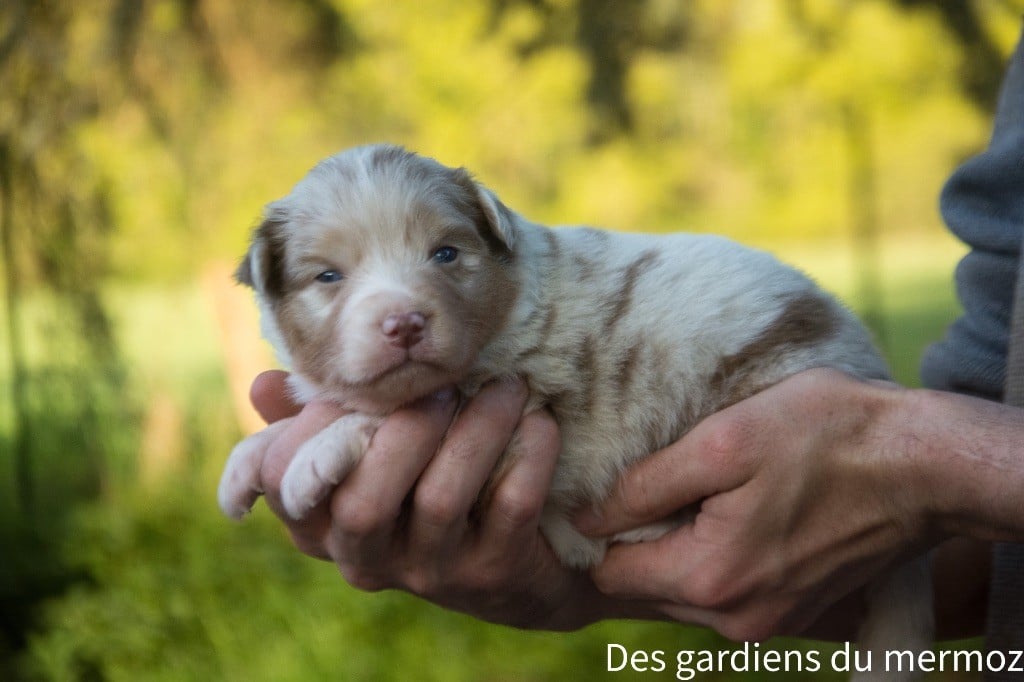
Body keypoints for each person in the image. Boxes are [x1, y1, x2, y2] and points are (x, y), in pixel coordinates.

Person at [242, 25, 1024, 644]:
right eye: (328, 277)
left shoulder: (534, 317)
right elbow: (980, 555)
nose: (404, 307)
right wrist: (582, 587)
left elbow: (916, 476)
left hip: (759, 359)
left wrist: (928, 463)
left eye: (445, 254)